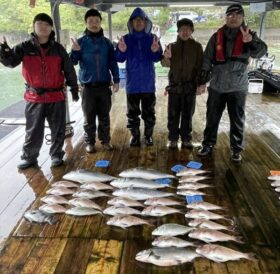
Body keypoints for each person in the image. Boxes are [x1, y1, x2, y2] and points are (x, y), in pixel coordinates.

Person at [0, 13, 79, 169]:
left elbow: (69, 70)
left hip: (56, 96)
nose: (43, 27)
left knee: (58, 129)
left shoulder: (58, 49)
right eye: (40, 23)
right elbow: (10, 63)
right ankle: (29, 157)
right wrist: (4, 52)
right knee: (33, 130)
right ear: (34, 26)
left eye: (47, 25)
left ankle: (56, 155)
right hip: (34, 97)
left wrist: (74, 89)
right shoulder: (24, 47)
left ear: (51, 29)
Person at [196, 4, 267, 162]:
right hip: (217, 85)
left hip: (238, 86)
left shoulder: (249, 34)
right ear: (226, 18)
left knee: (237, 119)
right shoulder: (216, 36)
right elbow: (207, 59)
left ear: (242, 18)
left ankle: (236, 149)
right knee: (212, 117)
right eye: (230, 15)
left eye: (237, 15)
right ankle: (208, 144)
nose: (233, 18)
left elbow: (260, 52)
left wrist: (251, 42)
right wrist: (202, 82)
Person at [70, 9, 120, 153]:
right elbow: (72, 62)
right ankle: (90, 142)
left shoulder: (107, 43)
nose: (94, 24)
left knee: (105, 116)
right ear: (86, 23)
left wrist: (116, 80)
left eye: (96, 21)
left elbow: (113, 63)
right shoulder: (80, 42)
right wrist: (75, 51)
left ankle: (105, 141)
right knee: (89, 118)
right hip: (87, 88)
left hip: (104, 87)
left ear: (100, 22)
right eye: (90, 21)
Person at [115, 7, 163, 147]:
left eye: (141, 20)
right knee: (132, 113)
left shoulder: (153, 38)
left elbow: (157, 58)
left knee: (149, 112)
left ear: (146, 22)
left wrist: (155, 51)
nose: (138, 22)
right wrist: (121, 50)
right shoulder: (126, 39)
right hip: (132, 84)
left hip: (148, 84)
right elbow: (119, 59)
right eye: (135, 20)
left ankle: (148, 136)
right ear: (131, 23)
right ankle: (135, 136)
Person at [161, 18, 203, 149]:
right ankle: (173, 138)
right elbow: (164, 64)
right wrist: (166, 58)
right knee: (173, 114)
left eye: (188, 30)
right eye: (182, 30)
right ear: (178, 31)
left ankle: (186, 138)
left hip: (190, 87)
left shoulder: (197, 47)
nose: (185, 32)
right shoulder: (171, 46)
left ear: (192, 31)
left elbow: (201, 67)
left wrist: (201, 84)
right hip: (174, 87)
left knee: (188, 114)